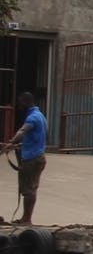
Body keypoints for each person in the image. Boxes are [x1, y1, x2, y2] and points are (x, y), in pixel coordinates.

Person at [3, 92, 47, 225]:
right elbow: (35, 138)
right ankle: (25, 218)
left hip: (31, 158)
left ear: (26, 102)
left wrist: (12, 142)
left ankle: (26, 220)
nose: (19, 105)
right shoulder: (41, 116)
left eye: (21, 102)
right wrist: (20, 145)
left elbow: (23, 131)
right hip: (38, 156)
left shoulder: (32, 118)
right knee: (31, 188)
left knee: (28, 190)